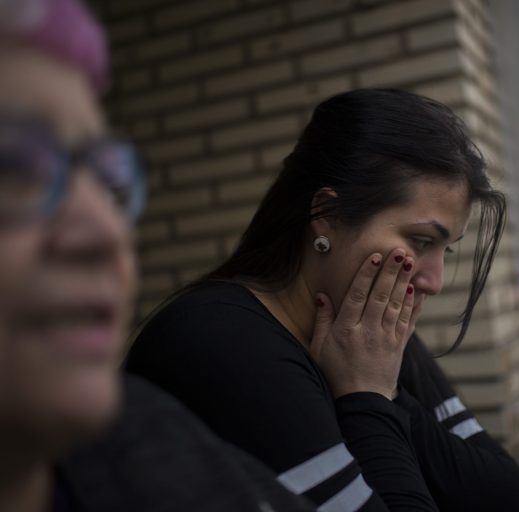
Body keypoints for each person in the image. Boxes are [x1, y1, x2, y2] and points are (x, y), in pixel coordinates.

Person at [126, 88, 519, 511]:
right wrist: (366, 398)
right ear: (327, 216)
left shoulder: (370, 337)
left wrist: (382, 394)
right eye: (421, 241)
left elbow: (509, 497)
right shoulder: (220, 343)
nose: (434, 280)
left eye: (444, 249)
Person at [0, 0, 313, 510]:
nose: (108, 232)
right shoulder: (216, 333)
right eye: (11, 163)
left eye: (107, 178)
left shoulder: (152, 436)